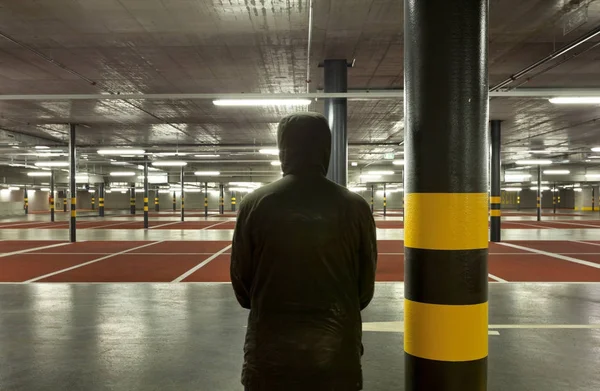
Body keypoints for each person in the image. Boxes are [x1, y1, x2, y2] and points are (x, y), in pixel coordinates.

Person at [230, 112, 378, 391]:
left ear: (283, 149)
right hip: (336, 355)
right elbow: (364, 290)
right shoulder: (356, 206)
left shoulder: (254, 204)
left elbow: (242, 287)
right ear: (326, 149)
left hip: (269, 355)